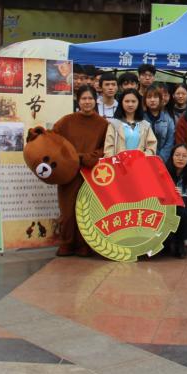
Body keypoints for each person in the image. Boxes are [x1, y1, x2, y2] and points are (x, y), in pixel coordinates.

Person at [51, 84, 108, 256]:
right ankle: (67, 243)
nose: (87, 102)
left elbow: (106, 147)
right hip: (69, 172)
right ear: (78, 100)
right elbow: (53, 140)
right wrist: (69, 157)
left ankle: (85, 244)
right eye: (84, 98)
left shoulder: (103, 124)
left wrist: (89, 157)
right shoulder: (66, 121)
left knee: (87, 210)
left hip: (91, 172)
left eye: (90, 98)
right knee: (67, 210)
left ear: (95, 100)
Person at [104, 89, 158, 157]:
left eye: (133, 101)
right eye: (127, 101)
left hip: (139, 162)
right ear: (121, 102)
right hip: (119, 162)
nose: (130, 104)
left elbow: (152, 145)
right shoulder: (114, 124)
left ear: (138, 103)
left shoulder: (145, 125)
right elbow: (109, 148)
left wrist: (142, 156)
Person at [164, 144, 187, 258]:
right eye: (177, 155)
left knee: (182, 211)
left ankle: (179, 244)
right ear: (172, 156)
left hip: (178, 206)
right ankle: (164, 242)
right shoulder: (163, 172)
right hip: (162, 205)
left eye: (184, 156)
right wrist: (169, 192)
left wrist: (178, 196)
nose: (180, 158)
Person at [144, 84, 174, 163]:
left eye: (155, 97)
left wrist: (161, 158)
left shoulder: (168, 120)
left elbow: (170, 142)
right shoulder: (140, 119)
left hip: (162, 160)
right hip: (144, 159)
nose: (152, 100)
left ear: (160, 99)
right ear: (145, 100)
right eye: (149, 97)